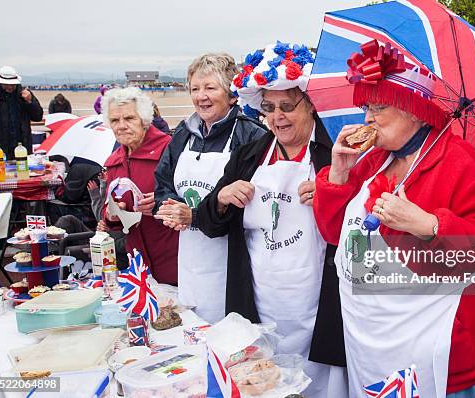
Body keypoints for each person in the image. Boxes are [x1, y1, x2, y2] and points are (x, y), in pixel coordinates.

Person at [313, 41, 475, 397]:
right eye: (365, 107)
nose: (367, 119)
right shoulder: (373, 160)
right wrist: (339, 176)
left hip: (449, 346)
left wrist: (430, 225)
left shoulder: (467, 166)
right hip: (377, 340)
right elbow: (334, 233)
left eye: (378, 106)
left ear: (415, 110)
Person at [197, 42, 347, 398]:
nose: (277, 117)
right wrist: (221, 199)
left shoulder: (333, 154)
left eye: (286, 106)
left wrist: (333, 195)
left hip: (321, 303)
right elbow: (208, 223)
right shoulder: (249, 156)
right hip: (260, 302)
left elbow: (357, 227)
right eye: (268, 108)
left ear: (310, 104)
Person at [153, 53, 266, 323]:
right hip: (191, 260)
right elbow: (163, 183)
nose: (201, 96)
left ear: (231, 94)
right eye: (195, 88)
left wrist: (196, 214)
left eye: (210, 88)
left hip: (233, 259)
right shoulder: (183, 133)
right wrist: (169, 208)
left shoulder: (251, 135)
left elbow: (254, 202)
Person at [101, 87, 178, 285]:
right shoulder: (114, 162)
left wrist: (163, 204)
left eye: (129, 118)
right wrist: (112, 215)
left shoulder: (169, 149)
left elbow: (193, 200)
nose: (122, 126)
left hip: (175, 261)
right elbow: (110, 213)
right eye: (115, 121)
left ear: (144, 120)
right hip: (138, 265)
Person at [0, 66, 43, 158]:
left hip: (21, 146)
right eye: (6, 85)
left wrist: (30, 102)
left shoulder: (23, 95)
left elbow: (38, 116)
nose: (10, 87)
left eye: (12, 85)